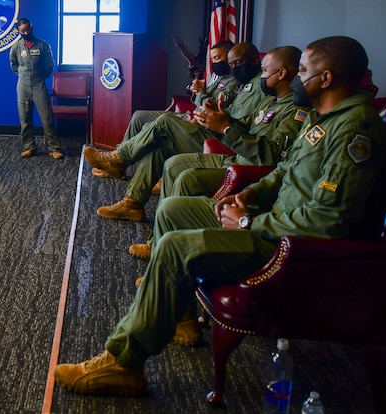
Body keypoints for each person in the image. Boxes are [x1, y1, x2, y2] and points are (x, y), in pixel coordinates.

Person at [54, 36, 386, 397]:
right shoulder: (325, 117)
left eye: (304, 72)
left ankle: (124, 361)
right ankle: (179, 313)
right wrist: (248, 194)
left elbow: (327, 222)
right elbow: (283, 172)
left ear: (325, 79)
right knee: (171, 209)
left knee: (173, 247)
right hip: (272, 219)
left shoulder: (355, 130)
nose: (296, 78)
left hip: (290, 248)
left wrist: (248, 222)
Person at [128, 46, 307, 261]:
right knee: (173, 163)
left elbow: (272, 155)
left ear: (282, 74)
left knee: (183, 169)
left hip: (248, 167)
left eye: (266, 71)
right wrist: (221, 118)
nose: (262, 75)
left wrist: (226, 128)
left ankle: (163, 247)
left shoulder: (297, 112)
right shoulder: (271, 99)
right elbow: (246, 125)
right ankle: (157, 238)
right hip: (235, 155)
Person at [83, 42, 267, 222]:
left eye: (237, 63)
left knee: (163, 122)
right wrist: (211, 107)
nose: (233, 67)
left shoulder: (259, 86)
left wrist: (214, 113)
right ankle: (132, 202)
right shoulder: (243, 83)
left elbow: (242, 126)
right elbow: (226, 110)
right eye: (232, 64)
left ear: (255, 61)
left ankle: (119, 158)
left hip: (224, 140)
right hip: (211, 127)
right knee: (159, 142)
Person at [9, 18, 62, 159]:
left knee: (47, 118)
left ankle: (54, 148)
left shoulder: (43, 45)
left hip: (39, 84)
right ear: (19, 32)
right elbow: (13, 65)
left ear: (32, 27)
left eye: (28, 29)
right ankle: (29, 147)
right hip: (23, 86)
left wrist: (42, 75)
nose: (26, 32)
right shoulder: (16, 47)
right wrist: (23, 74)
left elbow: (49, 63)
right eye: (23, 31)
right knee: (25, 119)